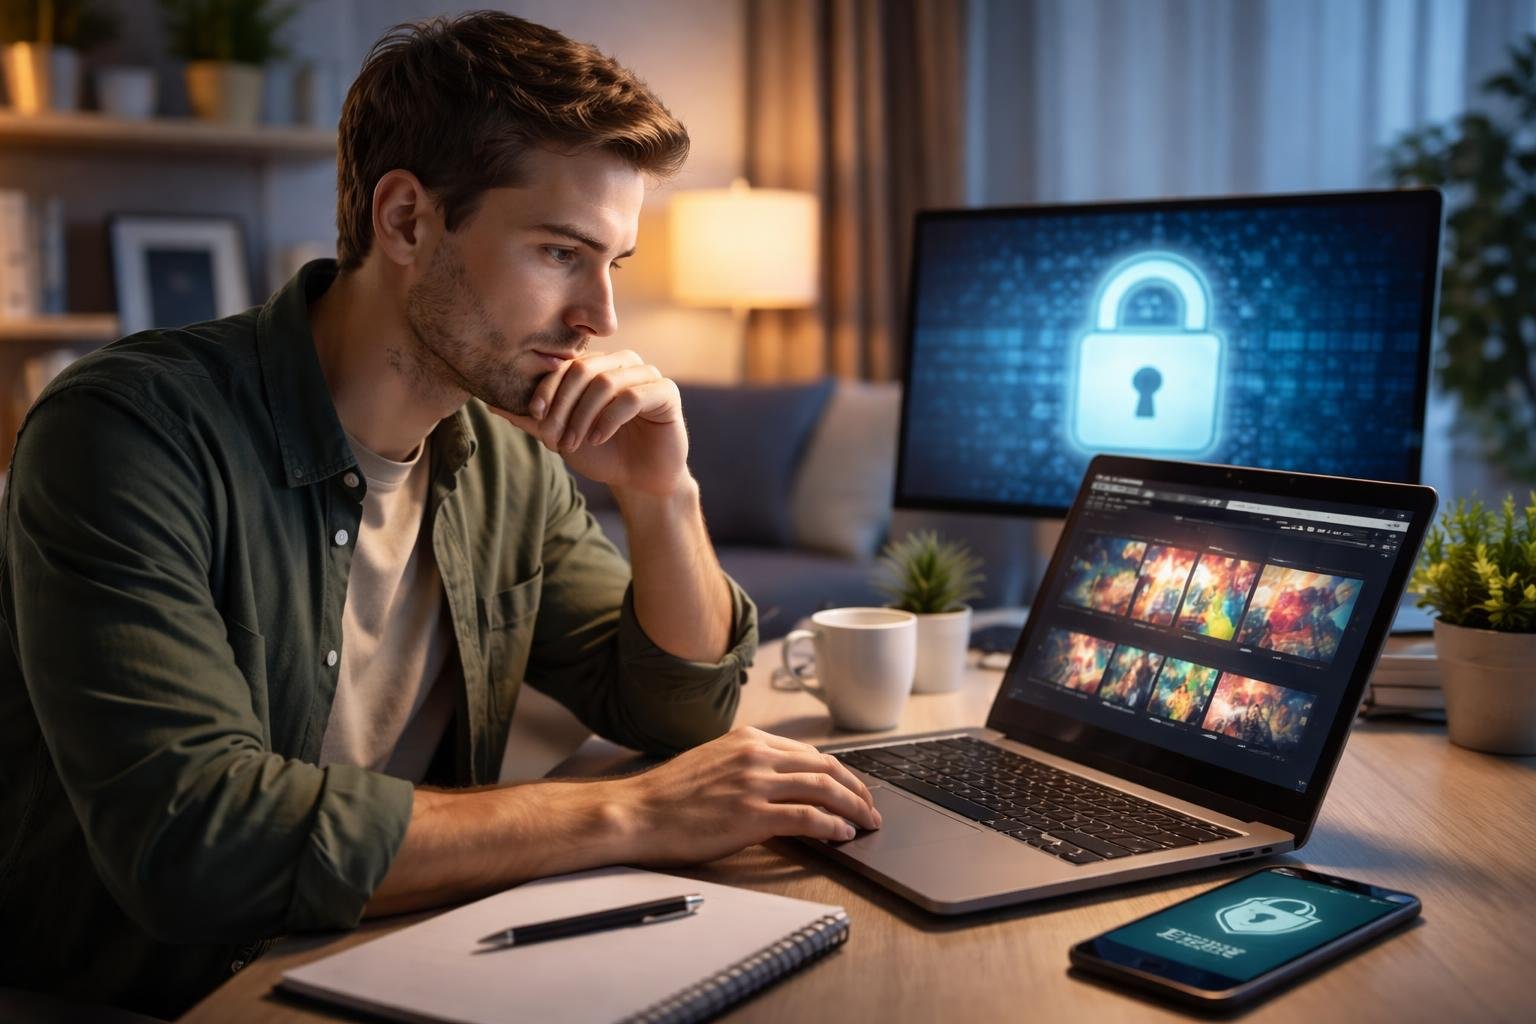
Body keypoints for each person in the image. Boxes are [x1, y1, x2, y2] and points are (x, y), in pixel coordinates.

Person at [0, 12, 879, 1019]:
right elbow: (196, 842)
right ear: (407, 220)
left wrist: (660, 493)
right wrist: (627, 811)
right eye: (560, 251)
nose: (601, 316)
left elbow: (674, 707)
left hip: (398, 957)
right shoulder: (129, 432)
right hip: (167, 996)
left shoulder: (504, 457)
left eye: (614, 263)